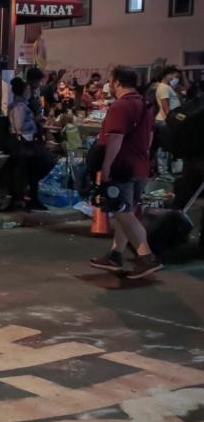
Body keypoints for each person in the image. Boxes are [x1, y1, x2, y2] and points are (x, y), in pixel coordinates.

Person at [89, 66, 161, 279]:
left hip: (122, 168)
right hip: (140, 166)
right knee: (126, 211)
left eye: (110, 81)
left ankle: (146, 256)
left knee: (123, 213)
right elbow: (149, 139)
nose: (109, 85)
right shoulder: (145, 104)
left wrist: (106, 166)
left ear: (117, 83)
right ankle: (115, 255)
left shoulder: (121, 106)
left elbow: (115, 138)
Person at [7, 77, 52, 211]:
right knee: (27, 170)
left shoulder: (20, 104)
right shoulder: (20, 106)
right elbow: (19, 127)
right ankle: (23, 199)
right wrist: (34, 119)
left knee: (28, 171)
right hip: (23, 144)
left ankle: (30, 197)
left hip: (24, 143)